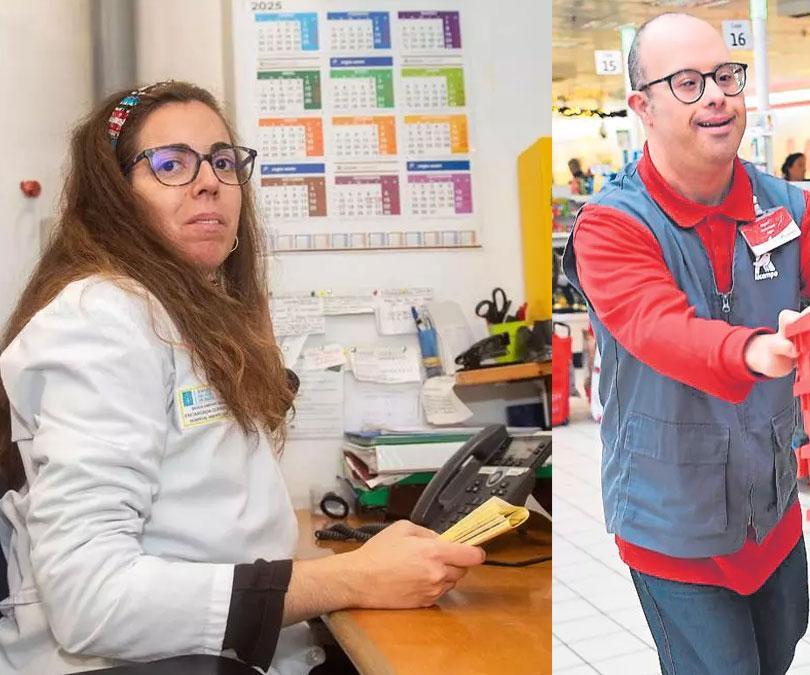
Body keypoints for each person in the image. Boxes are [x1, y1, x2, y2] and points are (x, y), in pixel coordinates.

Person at [0, 81, 485, 674]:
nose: (210, 181)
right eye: (171, 163)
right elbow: (93, 601)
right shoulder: (102, 317)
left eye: (223, 161)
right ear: (113, 195)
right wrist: (348, 577)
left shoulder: (189, 315)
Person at [561, 14, 810, 675]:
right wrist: (753, 351)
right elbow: (656, 327)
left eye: (725, 76)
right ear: (643, 106)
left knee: (775, 656)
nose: (716, 95)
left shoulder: (788, 209)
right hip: (671, 521)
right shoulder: (613, 225)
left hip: (770, 510)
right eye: (687, 83)